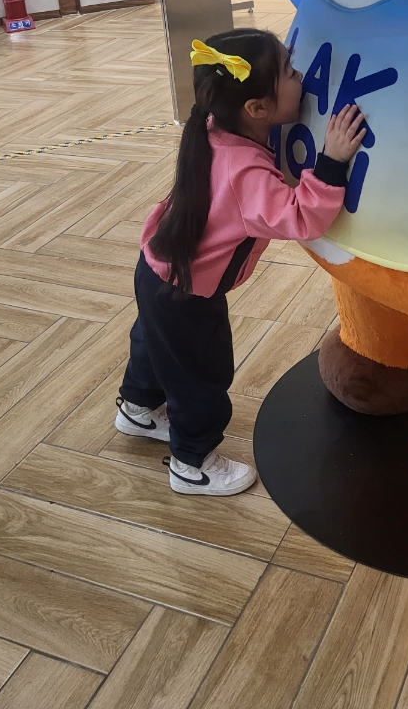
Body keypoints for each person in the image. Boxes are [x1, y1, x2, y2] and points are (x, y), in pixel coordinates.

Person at [115, 27, 366, 496]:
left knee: (154, 347)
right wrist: (331, 162)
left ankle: (136, 409)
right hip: (188, 293)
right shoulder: (244, 172)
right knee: (200, 377)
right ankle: (191, 463)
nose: (301, 77)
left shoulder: (215, 128)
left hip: (156, 271)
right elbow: (300, 218)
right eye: (289, 72)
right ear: (257, 108)